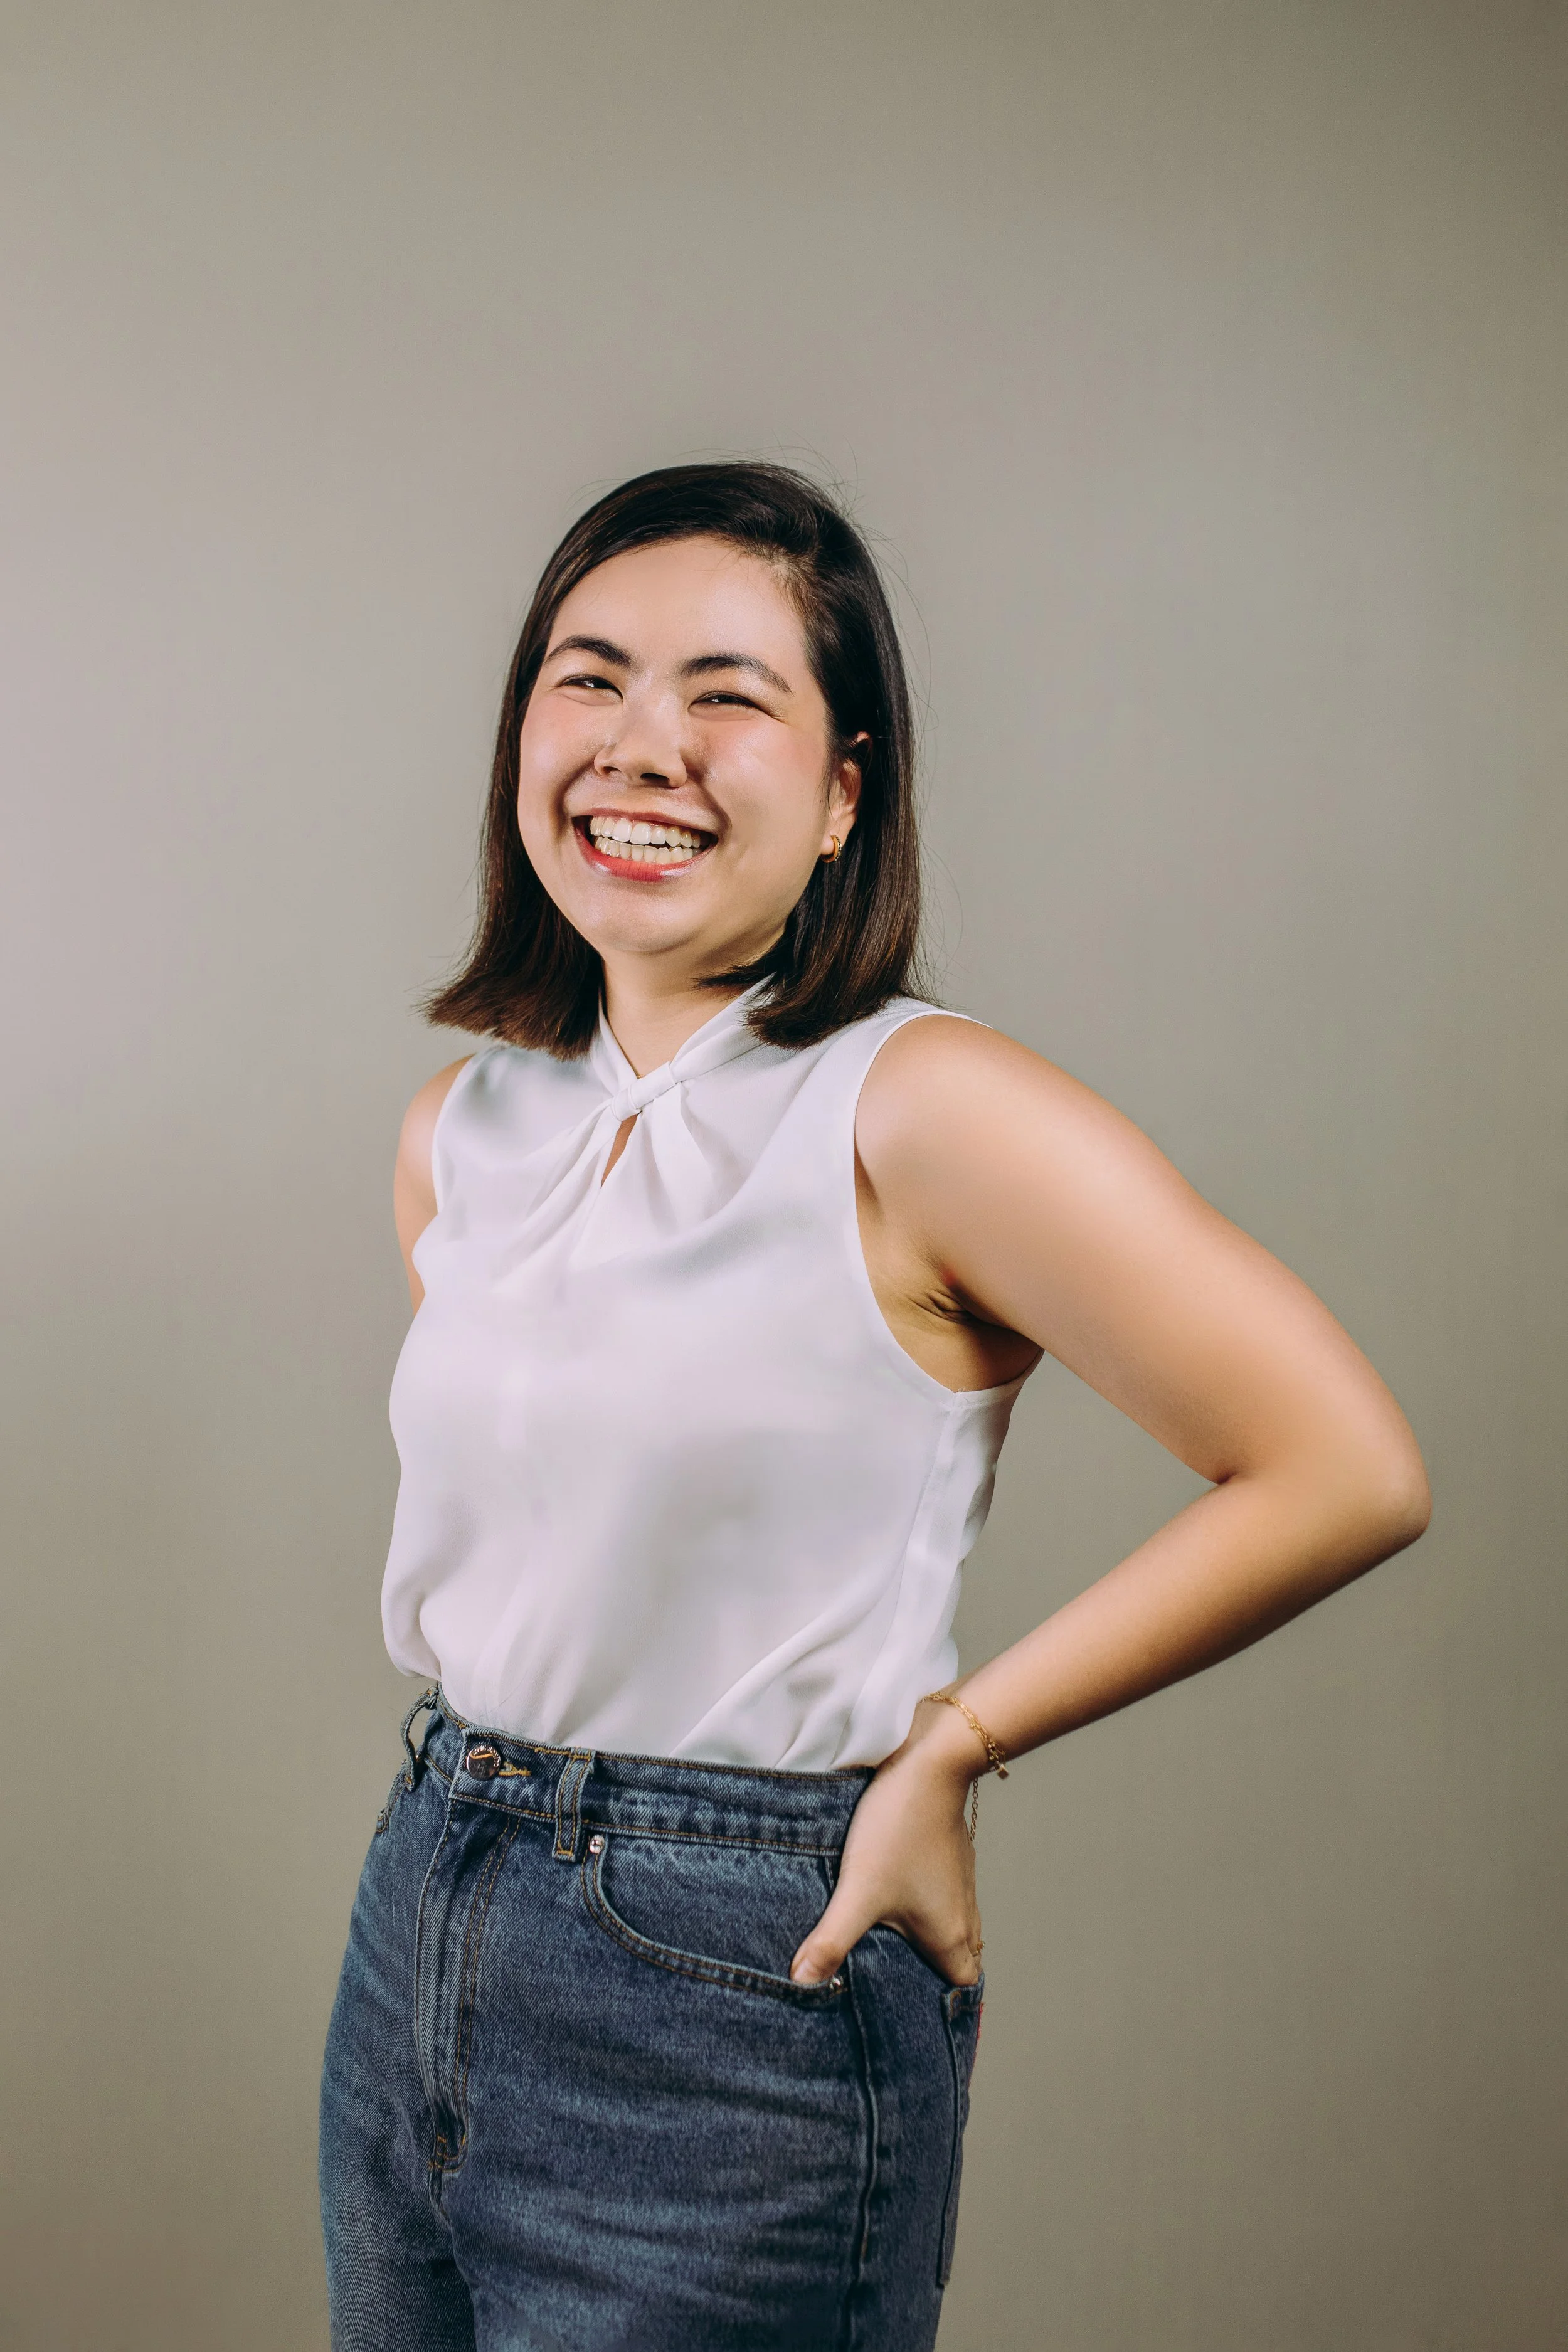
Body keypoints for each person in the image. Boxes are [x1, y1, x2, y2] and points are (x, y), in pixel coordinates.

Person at [318, 461, 1429, 2352]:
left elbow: (1342, 1465)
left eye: (725, 695)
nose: (638, 742)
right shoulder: (464, 1133)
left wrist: (952, 1741)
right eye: (586, 680)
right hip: (431, 1902)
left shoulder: (922, 1108)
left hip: (732, 1972)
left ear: (845, 792)